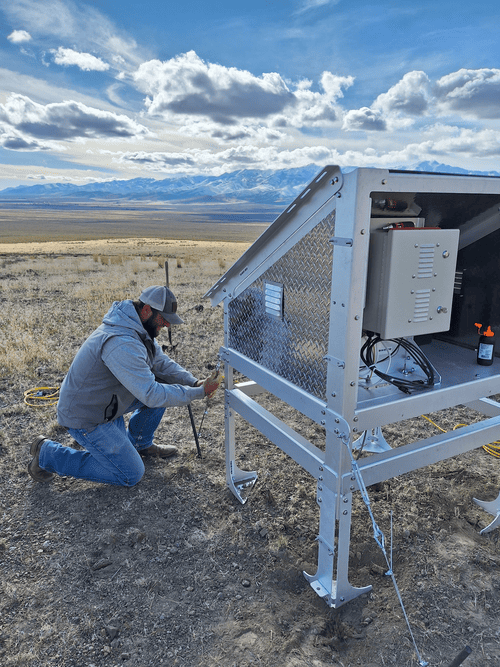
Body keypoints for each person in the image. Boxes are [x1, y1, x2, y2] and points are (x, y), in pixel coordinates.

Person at [28, 285, 222, 487]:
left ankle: (140, 443)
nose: (167, 324)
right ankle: (48, 454)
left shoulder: (137, 328)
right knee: (130, 473)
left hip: (107, 404)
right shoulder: (121, 342)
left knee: (164, 381)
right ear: (146, 310)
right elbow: (151, 394)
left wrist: (193, 382)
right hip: (87, 416)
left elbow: (161, 363)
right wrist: (198, 392)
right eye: (163, 318)